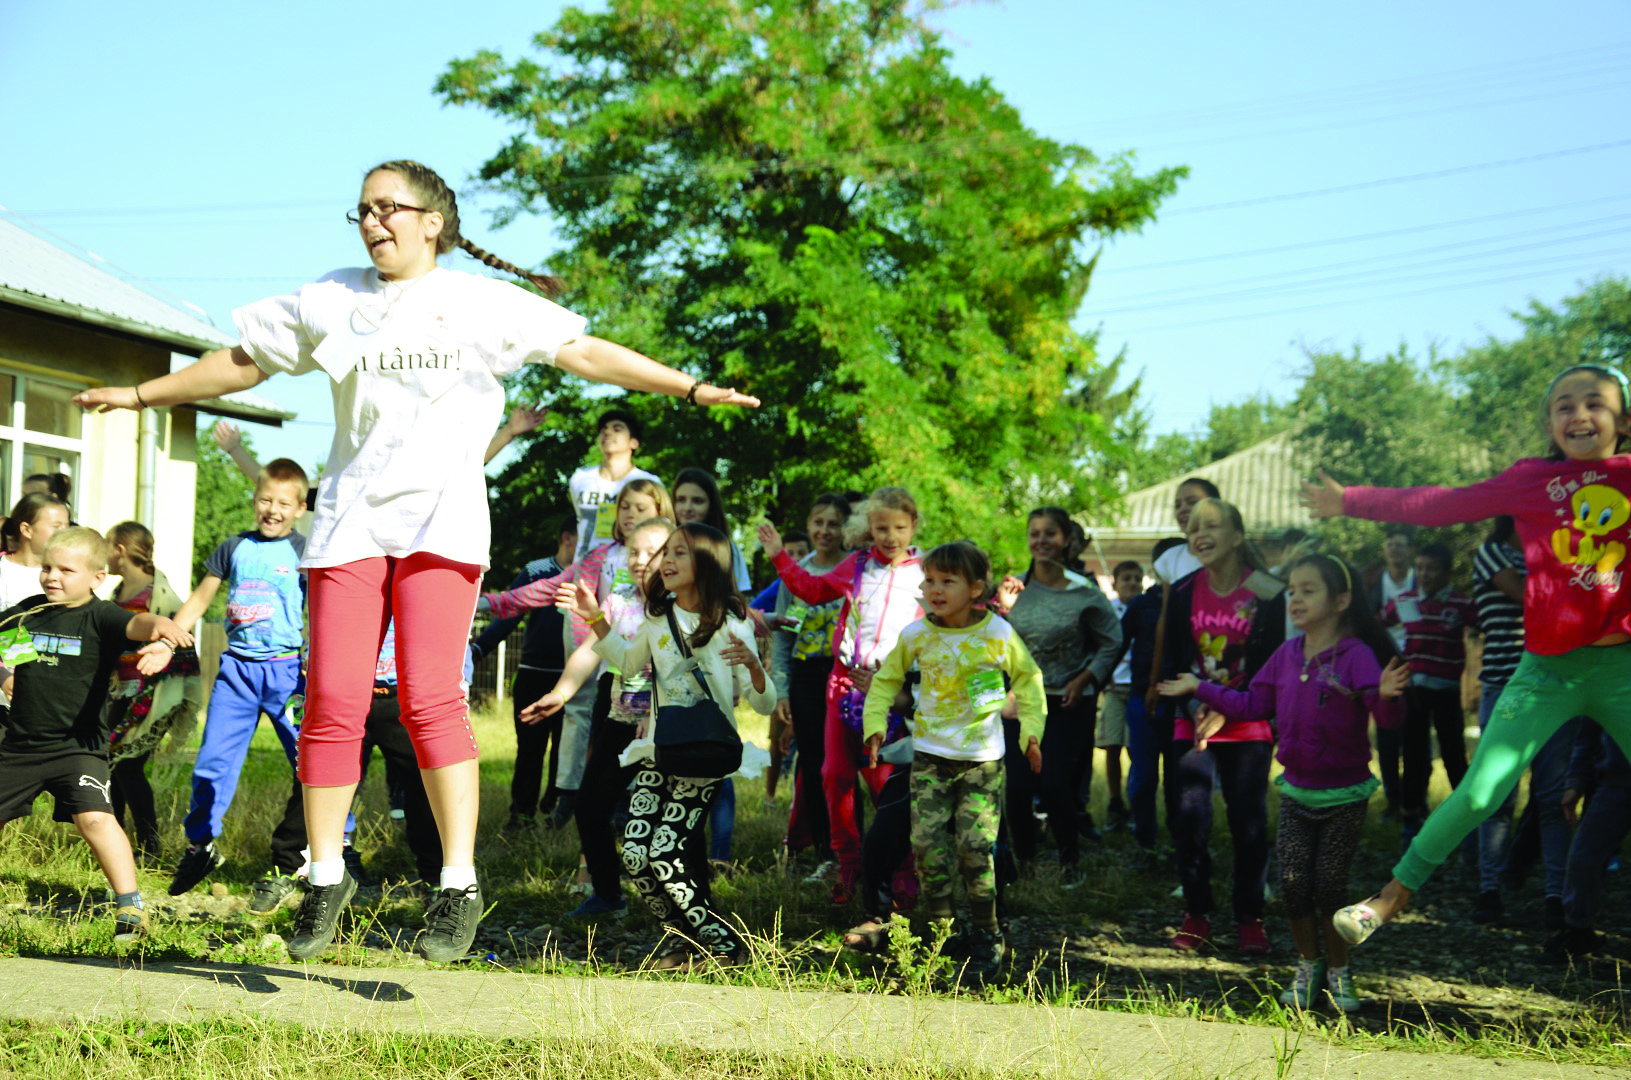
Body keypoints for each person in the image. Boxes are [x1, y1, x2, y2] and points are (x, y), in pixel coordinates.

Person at [73, 158, 759, 963]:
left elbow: (583, 352)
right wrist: (142, 394)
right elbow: (242, 360)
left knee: (431, 699)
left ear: (432, 221)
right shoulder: (333, 298)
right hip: (348, 527)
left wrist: (689, 387)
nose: (371, 221)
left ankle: (456, 885)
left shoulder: (474, 301)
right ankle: (324, 873)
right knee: (331, 700)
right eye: (361, 209)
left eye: (388, 207)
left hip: (442, 525)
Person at [1301, 363, 1631, 946]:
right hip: (1546, 671)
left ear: (1623, 421)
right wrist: (1350, 500)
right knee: (1481, 791)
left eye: (1595, 403)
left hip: (1622, 668)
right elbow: (1441, 503)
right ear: (1551, 423)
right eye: (1564, 405)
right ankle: (1388, 898)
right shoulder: (1531, 480)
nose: (1579, 414)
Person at [1160, 555, 1407, 1011]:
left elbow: (1386, 719)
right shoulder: (1286, 655)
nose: (1295, 598)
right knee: (1293, 884)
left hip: (1345, 796)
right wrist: (1199, 687)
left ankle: (1339, 970)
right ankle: (1309, 966)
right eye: (1292, 589)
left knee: (1329, 887)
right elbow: (1252, 704)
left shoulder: (1356, 656)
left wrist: (1389, 697)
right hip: (1296, 791)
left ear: (1341, 601)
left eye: (1309, 590)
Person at [569, 523, 775, 968]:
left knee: (665, 856)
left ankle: (724, 946)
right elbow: (626, 661)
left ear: (706, 564)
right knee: (639, 855)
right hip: (658, 751)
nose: (667, 560)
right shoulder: (657, 620)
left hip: (702, 756)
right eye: (667, 552)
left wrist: (756, 669)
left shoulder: (731, 622)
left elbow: (762, 703)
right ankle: (684, 942)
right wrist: (594, 617)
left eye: (679, 553)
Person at [0, 527, 191, 943]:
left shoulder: (100, 615)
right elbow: (6, 646)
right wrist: (6, 674)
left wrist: (162, 625)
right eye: (47, 566)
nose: (52, 576)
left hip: (77, 748)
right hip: (21, 746)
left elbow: (138, 623)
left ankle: (130, 906)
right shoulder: (27, 612)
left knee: (95, 819)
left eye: (66, 570)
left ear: (97, 578)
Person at [861, 541, 1043, 977]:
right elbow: (886, 681)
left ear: (976, 588)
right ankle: (944, 934)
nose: (935, 589)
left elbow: (1030, 682)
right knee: (926, 848)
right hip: (929, 758)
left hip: (981, 762)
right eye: (930, 580)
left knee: (974, 848)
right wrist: (874, 724)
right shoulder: (917, 634)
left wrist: (1031, 735)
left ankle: (986, 934)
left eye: (948, 581)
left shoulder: (996, 634)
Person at [759, 487, 925, 904]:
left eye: (899, 528)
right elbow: (812, 590)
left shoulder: (924, 571)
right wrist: (780, 555)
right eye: (881, 528)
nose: (890, 536)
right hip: (843, 685)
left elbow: (950, 614)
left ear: (913, 527)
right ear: (868, 528)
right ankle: (847, 865)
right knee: (833, 775)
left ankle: (902, 871)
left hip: (889, 693)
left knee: (885, 782)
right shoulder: (858, 565)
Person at [481, 479, 673, 834]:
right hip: (614, 687)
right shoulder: (611, 584)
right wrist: (561, 691)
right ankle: (578, 816)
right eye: (625, 507)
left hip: (665, 709)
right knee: (598, 786)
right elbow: (588, 642)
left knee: (652, 800)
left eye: (641, 508)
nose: (630, 514)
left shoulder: (679, 601)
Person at [165, 458, 315, 902]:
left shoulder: (305, 552)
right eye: (265, 499)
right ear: (254, 500)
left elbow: (323, 609)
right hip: (237, 672)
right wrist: (169, 637)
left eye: (283, 503)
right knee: (212, 762)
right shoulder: (234, 548)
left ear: (299, 507)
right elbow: (200, 598)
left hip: (289, 672)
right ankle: (201, 845)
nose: (272, 509)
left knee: (311, 762)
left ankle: (334, 849)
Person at [519, 515, 675, 919]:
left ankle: (682, 905)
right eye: (633, 551)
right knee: (590, 807)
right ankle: (607, 896)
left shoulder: (680, 607)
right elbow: (591, 649)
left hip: (669, 728)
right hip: (621, 719)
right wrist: (561, 692)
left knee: (667, 821)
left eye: (652, 552)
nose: (640, 560)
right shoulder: (620, 601)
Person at [1157, 498, 1286, 955]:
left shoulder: (1268, 591)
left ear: (1236, 535)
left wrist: (1227, 707)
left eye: (1211, 526)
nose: (1200, 535)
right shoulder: (1185, 588)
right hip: (1192, 717)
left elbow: (1273, 664)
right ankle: (1196, 913)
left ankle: (1250, 917)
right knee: (1189, 815)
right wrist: (1193, 702)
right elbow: (1174, 659)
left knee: (1248, 819)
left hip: (1247, 717)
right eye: (1193, 529)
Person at [993, 507, 1120, 878]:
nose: (1042, 540)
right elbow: (989, 640)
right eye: (1035, 533)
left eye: (1050, 533)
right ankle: (1027, 862)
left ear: (1065, 539)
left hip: (1067, 701)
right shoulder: (1013, 588)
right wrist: (1002, 609)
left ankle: (1069, 860)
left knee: (1053, 786)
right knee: (1016, 788)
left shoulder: (1085, 591)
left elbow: (1112, 641)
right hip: (1019, 701)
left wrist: (1085, 680)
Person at [1468, 515, 1576, 927]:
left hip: (1554, 688)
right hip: (1504, 686)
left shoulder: (1556, 555)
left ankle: (1555, 897)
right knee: (1497, 797)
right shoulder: (1493, 553)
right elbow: (1529, 596)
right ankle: (1489, 889)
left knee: (1553, 798)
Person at [469, 513, 578, 833]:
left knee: (566, 751)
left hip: (572, 680)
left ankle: (555, 811)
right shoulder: (536, 572)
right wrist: (481, 647)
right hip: (534, 675)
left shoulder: (591, 577)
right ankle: (522, 814)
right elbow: (509, 613)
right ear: (566, 538)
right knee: (529, 750)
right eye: (580, 541)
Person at [102, 522, 202, 859]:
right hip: (118, 693)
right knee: (107, 767)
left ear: (120, 550)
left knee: (128, 766)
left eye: (107, 545)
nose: (104, 552)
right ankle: (109, 842)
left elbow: (182, 649)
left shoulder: (160, 597)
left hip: (151, 696)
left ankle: (149, 846)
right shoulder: (115, 595)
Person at [770, 495, 851, 874]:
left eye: (833, 524)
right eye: (818, 522)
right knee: (815, 763)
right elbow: (783, 638)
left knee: (846, 765)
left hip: (844, 677)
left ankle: (857, 848)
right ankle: (826, 852)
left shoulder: (855, 570)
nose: (824, 531)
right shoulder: (795, 573)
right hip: (804, 677)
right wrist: (782, 691)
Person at [1379, 541, 1478, 836]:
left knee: (1453, 752)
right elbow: (1378, 625)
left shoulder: (1461, 604)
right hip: (1415, 691)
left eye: (1432, 569)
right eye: (1420, 568)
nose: (1424, 574)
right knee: (1413, 751)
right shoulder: (1405, 600)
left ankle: (1466, 818)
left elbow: (1487, 624)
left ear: (1447, 573)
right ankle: (1411, 815)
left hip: (1446, 691)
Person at [1554, 720, 1631, 958]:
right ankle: (1579, 931)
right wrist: (1575, 782)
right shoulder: (1610, 682)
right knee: (1583, 856)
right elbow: (1587, 735)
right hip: (1616, 782)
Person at [570, 409, 660, 563]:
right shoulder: (579, 479)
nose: (608, 433)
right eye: (604, 430)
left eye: (617, 429)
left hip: (628, 567)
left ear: (634, 442)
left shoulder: (649, 482)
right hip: (583, 567)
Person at [1101, 559, 1145, 831]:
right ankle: (1114, 803)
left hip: (1139, 688)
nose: (1132, 583)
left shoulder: (1146, 611)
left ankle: (1136, 804)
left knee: (1136, 749)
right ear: (1114, 584)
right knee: (1112, 744)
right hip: (1115, 688)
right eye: (1126, 578)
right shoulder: (1108, 612)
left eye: (1137, 578)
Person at [0, 494, 70, 611]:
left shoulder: (71, 573)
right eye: (56, 526)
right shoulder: (3, 570)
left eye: (67, 527)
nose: (65, 533)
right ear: (27, 530)